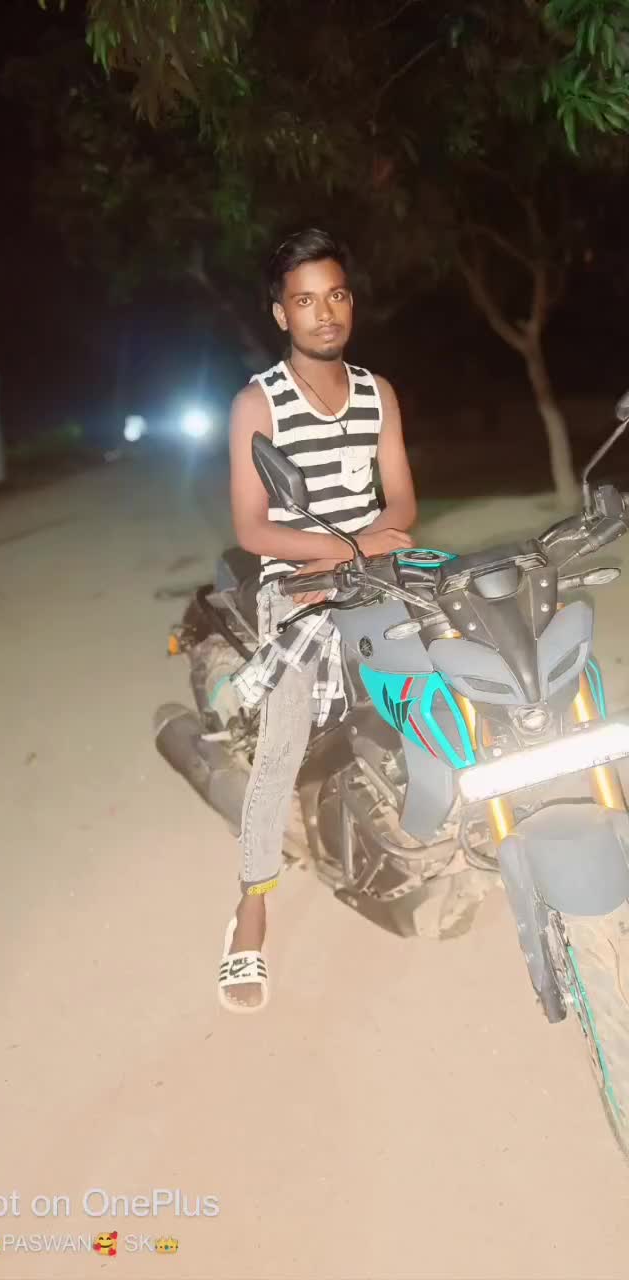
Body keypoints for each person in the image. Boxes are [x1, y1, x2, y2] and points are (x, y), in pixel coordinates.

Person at [218, 228, 417, 1013]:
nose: (324, 312)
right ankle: (251, 909)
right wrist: (346, 548)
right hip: (296, 586)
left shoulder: (378, 393)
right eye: (304, 300)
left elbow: (401, 500)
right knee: (281, 746)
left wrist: (374, 545)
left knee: (446, 676)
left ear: (350, 303)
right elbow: (253, 528)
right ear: (281, 313)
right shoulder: (257, 403)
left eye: (335, 295)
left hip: (375, 573)